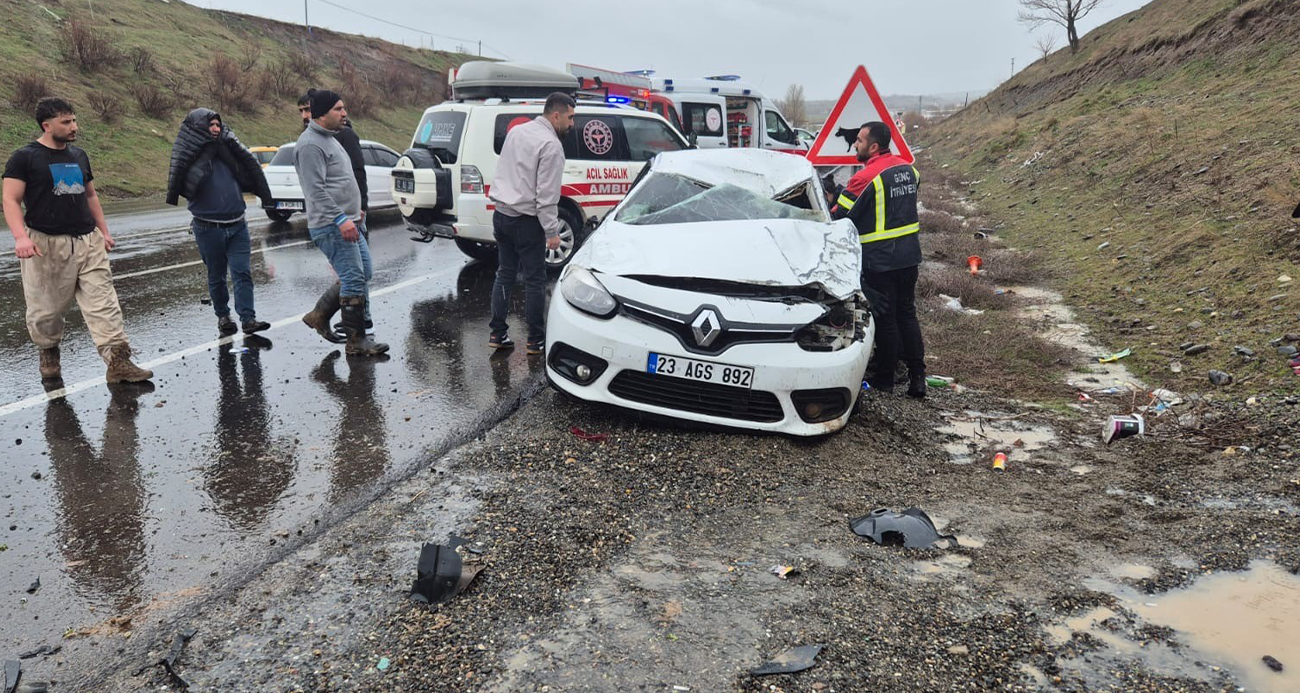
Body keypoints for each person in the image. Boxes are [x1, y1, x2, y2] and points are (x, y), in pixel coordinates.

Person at [3, 97, 152, 383]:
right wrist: (21, 238)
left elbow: (90, 195)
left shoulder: (79, 155)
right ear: (47, 126)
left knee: (104, 303)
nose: (74, 127)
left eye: (74, 120)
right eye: (66, 122)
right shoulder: (25, 157)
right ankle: (48, 352)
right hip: (46, 244)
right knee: (46, 310)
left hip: (88, 240)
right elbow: (10, 199)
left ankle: (118, 363)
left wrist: (104, 232)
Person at [830, 121, 926, 398]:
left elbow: (839, 216)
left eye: (859, 140)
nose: (855, 145)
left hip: (880, 261)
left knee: (885, 318)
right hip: (910, 257)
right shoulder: (909, 170)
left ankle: (884, 378)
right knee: (907, 314)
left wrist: (832, 199)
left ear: (873, 146)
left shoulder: (865, 177)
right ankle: (917, 379)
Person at [165, 108, 274, 336]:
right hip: (207, 227)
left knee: (242, 272)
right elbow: (182, 182)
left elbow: (249, 169)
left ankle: (248, 319)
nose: (215, 129)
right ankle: (223, 317)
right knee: (216, 275)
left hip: (237, 224)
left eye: (218, 124)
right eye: (210, 125)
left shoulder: (229, 149)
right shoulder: (190, 153)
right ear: (198, 128)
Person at [295, 89, 388, 355]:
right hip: (332, 225)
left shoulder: (330, 138)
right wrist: (340, 218)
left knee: (363, 273)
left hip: (349, 221)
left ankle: (319, 315)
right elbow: (315, 190)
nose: (344, 113)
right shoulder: (311, 144)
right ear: (321, 115)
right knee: (353, 278)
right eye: (338, 109)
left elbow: (341, 180)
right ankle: (356, 341)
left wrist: (356, 209)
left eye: (343, 107)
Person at [487, 92, 575, 355]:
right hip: (527, 222)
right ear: (556, 115)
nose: (572, 124)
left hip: (501, 214)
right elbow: (546, 196)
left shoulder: (518, 132)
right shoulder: (551, 146)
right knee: (535, 281)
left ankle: (497, 333)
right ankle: (536, 341)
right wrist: (552, 232)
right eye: (570, 118)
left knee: (504, 273)